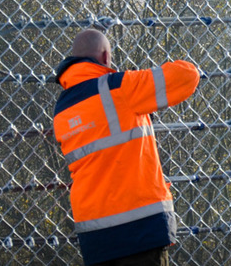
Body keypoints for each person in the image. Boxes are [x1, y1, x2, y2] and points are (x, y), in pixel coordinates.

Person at [52, 29, 200, 266]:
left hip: (95, 234)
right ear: (105, 57)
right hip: (140, 229)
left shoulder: (62, 109)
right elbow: (187, 76)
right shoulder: (118, 88)